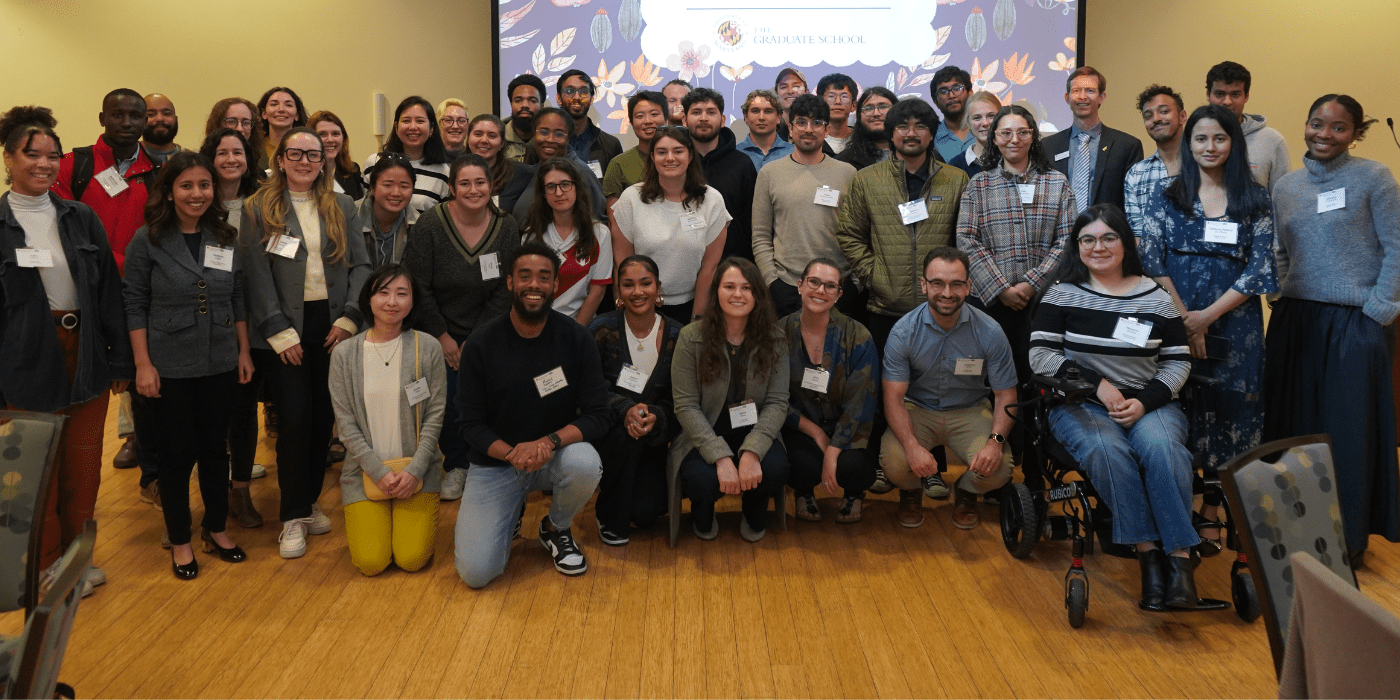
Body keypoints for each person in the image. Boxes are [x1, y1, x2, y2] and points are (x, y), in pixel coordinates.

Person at [1029, 204, 1202, 610]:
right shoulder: (1061, 294)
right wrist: (1098, 386)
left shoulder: (1156, 298)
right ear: (1077, 247)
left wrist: (1144, 402)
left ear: (1127, 243)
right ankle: (1147, 555)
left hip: (1150, 402)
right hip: (1080, 404)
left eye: (1109, 238)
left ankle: (1178, 562)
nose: (1098, 247)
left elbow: (1178, 361)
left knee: (1163, 450)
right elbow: (1040, 356)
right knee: (1108, 451)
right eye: (1087, 239)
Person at [1, 105, 132, 594]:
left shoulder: (80, 217)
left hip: (88, 354)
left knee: (82, 465)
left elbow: (108, 293)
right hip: (25, 359)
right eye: (32, 154)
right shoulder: (0, 224)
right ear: (9, 158)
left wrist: (119, 359)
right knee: (37, 469)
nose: (45, 164)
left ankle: (77, 559)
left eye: (53, 155)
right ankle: (45, 565)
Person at [1265, 94, 1400, 567]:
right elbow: (1280, 249)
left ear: (1356, 133)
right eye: (1316, 123)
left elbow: (1397, 246)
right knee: (1295, 430)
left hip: (1354, 322)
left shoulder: (1374, 178)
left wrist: (1381, 308)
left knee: (1347, 432)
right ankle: (1296, 528)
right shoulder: (1286, 187)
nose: (1324, 134)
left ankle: (1349, 539)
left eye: (1338, 127)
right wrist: (1279, 292)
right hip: (1296, 321)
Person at [1139, 105, 1276, 556]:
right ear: (1189, 143)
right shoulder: (1168, 195)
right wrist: (1186, 320)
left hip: (1236, 328)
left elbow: (1259, 272)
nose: (1209, 147)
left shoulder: (1255, 200)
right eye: (1200, 139)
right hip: (1176, 324)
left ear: (1233, 143)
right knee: (1185, 409)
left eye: (1219, 138)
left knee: (1233, 413)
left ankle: (1215, 510)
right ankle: (1181, 507)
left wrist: (1206, 317)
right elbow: (1153, 261)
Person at [238, 127, 370, 560]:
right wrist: (279, 331)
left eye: (312, 155)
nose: (303, 161)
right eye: (294, 153)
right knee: (294, 420)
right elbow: (255, 274)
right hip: (284, 329)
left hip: (331, 325)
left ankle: (310, 500)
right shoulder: (258, 207)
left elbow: (361, 265)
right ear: (280, 158)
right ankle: (291, 515)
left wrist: (351, 317)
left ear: (324, 160)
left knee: (321, 420)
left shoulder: (342, 205)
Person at [123, 152, 253, 579]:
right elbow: (135, 304)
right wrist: (143, 364)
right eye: (187, 186)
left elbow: (236, 298)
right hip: (170, 364)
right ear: (170, 191)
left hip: (219, 360)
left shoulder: (225, 235)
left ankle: (215, 528)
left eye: (204, 185)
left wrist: (244, 351)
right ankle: (180, 540)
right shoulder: (148, 240)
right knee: (177, 456)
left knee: (217, 450)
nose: (197, 194)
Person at [454, 240, 610, 587]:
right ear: (510, 282)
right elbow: (469, 425)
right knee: (477, 573)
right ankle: (509, 511)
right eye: (525, 276)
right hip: (496, 462)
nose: (534, 285)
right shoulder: (481, 344)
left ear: (556, 285)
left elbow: (599, 414)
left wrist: (548, 441)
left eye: (544, 277)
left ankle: (555, 527)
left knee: (585, 462)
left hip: (553, 455)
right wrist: (512, 453)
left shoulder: (576, 338)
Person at [957, 104, 1075, 485]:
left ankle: (1038, 470)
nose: (1013, 139)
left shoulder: (1057, 183)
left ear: (1032, 137)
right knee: (998, 385)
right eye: (1004, 133)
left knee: (1038, 384)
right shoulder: (979, 185)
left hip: (1044, 306)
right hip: (993, 306)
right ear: (994, 138)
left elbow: (1068, 240)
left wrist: (1031, 284)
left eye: (1022, 132)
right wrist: (1002, 289)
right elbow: (966, 240)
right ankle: (999, 471)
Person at [51, 88, 160, 500]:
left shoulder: (155, 171)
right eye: (118, 115)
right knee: (87, 392)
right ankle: (62, 484)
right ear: (102, 118)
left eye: (136, 115)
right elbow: (65, 226)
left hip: (140, 295)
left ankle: (153, 478)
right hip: (85, 295)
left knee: (145, 386)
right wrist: (120, 264)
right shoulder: (74, 165)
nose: (127, 122)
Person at [401, 153, 519, 503]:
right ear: (451, 188)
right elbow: (417, 285)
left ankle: (489, 461)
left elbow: (505, 287)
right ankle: (456, 464)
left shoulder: (507, 225)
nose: (473, 189)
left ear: (491, 185)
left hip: (489, 331)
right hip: (436, 332)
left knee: (493, 393)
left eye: (480, 182)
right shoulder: (431, 225)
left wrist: (475, 341)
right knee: (448, 397)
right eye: (464, 183)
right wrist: (444, 338)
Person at [880, 247, 1016, 529]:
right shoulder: (903, 332)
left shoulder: (990, 331)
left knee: (1000, 466)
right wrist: (911, 446)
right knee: (894, 461)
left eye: (956, 284)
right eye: (937, 283)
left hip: (970, 410)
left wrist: (995, 443)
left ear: (968, 287)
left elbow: (1006, 395)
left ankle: (966, 492)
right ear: (924, 285)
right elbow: (893, 398)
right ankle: (910, 491)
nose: (946, 292)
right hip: (917, 408)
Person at [329, 264, 446, 576]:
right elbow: (346, 425)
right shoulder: (345, 355)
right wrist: (378, 472)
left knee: (411, 559)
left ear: (412, 302)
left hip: (417, 471)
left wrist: (415, 469)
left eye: (401, 293)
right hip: (365, 473)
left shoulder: (428, 347)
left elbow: (435, 416)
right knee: (371, 563)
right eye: (384, 292)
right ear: (369, 299)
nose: (392, 301)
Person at [837, 98, 970, 351]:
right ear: (890, 133)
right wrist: (875, 276)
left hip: (942, 307)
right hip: (885, 308)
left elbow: (964, 238)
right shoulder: (866, 180)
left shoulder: (956, 179)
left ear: (931, 134)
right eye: (902, 127)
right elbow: (849, 234)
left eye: (920, 126)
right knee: (888, 385)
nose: (911, 134)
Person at [672, 257, 789, 542]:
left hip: (755, 430)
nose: (738, 294)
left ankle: (754, 509)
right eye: (729, 286)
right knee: (701, 479)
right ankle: (704, 512)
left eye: (747, 288)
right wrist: (720, 456)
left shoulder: (775, 338)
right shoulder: (690, 338)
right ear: (716, 292)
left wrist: (752, 452)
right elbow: (685, 406)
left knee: (774, 467)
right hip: (706, 432)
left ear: (757, 295)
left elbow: (777, 402)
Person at [587, 255, 684, 545]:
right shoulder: (601, 329)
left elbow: (682, 397)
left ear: (658, 287)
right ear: (618, 291)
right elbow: (589, 389)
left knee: (646, 514)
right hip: (610, 432)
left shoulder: (679, 335)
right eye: (628, 285)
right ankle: (608, 515)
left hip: (653, 436)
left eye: (645, 283)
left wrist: (655, 416)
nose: (637, 292)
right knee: (624, 438)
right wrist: (625, 409)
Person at [200, 128, 270, 525]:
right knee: (209, 413)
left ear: (249, 159)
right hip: (207, 319)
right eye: (222, 152)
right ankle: (210, 493)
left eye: (238, 152)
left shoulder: (261, 202)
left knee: (243, 409)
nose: (230, 159)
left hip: (253, 319)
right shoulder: (197, 200)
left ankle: (241, 489)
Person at [781, 258, 879, 523]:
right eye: (814, 282)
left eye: (830, 286)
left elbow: (861, 403)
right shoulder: (778, 334)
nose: (820, 291)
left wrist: (834, 449)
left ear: (839, 295)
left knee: (855, 468)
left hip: (848, 426)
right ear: (800, 285)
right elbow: (774, 398)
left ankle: (854, 494)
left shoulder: (858, 335)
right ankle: (803, 492)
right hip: (801, 427)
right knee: (801, 465)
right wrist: (815, 433)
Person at [752, 94, 858, 318]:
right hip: (787, 286)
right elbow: (760, 235)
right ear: (790, 129)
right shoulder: (769, 173)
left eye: (817, 122)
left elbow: (860, 232)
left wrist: (855, 283)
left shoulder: (847, 172)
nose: (809, 129)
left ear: (826, 130)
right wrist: (772, 281)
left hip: (837, 286)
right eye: (801, 122)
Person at [610, 126, 729, 322]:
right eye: (662, 152)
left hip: (691, 306)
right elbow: (622, 264)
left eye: (678, 151)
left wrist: (697, 319)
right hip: (639, 305)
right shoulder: (631, 199)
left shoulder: (712, 200)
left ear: (690, 156)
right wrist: (625, 311)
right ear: (652, 158)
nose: (670, 158)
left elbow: (709, 268)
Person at [519, 157, 610, 323]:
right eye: (551, 187)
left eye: (565, 184)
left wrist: (575, 333)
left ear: (577, 187)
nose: (559, 193)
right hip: (538, 324)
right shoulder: (532, 235)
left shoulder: (600, 233)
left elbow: (597, 292)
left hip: (579, 326)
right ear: (543, 194)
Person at [1042, 67, 1144, 213]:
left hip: (1106, 232)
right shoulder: (1047, 146)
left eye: (1090, 90)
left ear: (1102, 97)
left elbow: (1133, 204)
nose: (1082, 96)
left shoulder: (1127, 146)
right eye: (1076, 90)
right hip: (1060, 233)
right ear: (1067, 97)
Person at [682, 88, 756, 263]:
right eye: (696, 112)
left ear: (722, 120)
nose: (703, 118)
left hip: (731, 265)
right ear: (684, 120)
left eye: (711, 112)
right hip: (683, 262)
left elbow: (751, 223)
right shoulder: (675, 163)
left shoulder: (742, 164)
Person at [508, 106, 608, 223]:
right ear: (534, 134)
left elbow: (597, 222)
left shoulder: (580, 173)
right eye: (544, 132)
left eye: (559, 134)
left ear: (569, 138)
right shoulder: (538, 169)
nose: (550, 139)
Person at [1205, 61, 1289, 192]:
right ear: (1208, 95)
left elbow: (1282, 199)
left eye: (1235, 94)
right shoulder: (1192, 139)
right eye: (1219, 94)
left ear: (1246, 97)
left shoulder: (1272, 141)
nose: (1227, 101)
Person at [363, 96, 452, 219]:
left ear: (431, 129)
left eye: (420, 121)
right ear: (396, 127)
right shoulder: (375, 162)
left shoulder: (443, 171)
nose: (413, 127)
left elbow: (443, 219)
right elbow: (364, 210)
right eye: (406, 121)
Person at [1123, 85, 1186, 236]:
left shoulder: (1205, 164)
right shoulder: (1136, 174)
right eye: (1148, 116)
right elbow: (1137, 236)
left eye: (1164, 111)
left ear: (1182, 116)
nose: (1156, 119)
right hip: (1151, 258)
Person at [602, 91, 666, 210]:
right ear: (631, 122)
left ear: (666, 118)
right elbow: (613, 216)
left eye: (654, 114)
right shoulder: (618, 164)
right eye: (640, 116)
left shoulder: (680, 158)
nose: (647, 121)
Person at [555, 68, 623, 178]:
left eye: (583, 92)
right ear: (559, 98)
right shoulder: (543, 143)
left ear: (591, 99)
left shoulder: (611, 145)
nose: (577, 97)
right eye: (569, 91)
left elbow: (615, 191)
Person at [357, 152, 415, 268]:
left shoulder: (418, 225)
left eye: (404, 186)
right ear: (372, 188)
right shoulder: (350, 216)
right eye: (388, 185)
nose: (396, 193)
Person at [467, 113, 533, 215]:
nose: (484, 140)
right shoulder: (456, 172)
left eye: (492, 136)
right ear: (468, 139)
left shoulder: (523, 174)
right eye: (478, 134)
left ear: (502, 144)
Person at [837, 87, 897, 171]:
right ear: (859, 117)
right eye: (868, 108)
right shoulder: (843, 162)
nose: (876, 113)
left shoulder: (915, 154)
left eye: (883, 106)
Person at [946, 91, 1002, 179]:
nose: (985, 123)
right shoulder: (955, 166)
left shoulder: (1013, 159)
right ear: (968, 123)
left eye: (991, 116)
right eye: (977, 118)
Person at [309, 111, 364, 200]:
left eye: (335, 134)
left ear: (343, 138)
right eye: (322, 134)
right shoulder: (304, 173)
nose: (330, 140)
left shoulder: (352, 171)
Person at [736, 89, 793, 172]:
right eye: (755, 111)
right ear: (745, 117)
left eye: (768, 111)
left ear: (779, 118)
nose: (761, 117)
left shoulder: (794, 153)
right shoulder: (733, 154)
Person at [930, 66, 974, 163]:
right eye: (943, 91)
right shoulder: (930, 138)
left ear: (970, 93)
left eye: (957, 88)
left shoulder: (985, 129)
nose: (951, 96)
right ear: (935, 101)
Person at [204, 97, 263, 169]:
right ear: (217, 125)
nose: (240, 128)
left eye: (246, 122)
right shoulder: (202, 168)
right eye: (231, 122)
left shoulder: (260, 168)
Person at [257, 87, 308, 167]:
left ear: (297, 115)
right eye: (274, 104)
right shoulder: (254, 146)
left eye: (288, 105)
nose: (281, 109)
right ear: (264, 114)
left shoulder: (308, 146)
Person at [503, 74, 546, 162]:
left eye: (532, 101)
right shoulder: (497, 137)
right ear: (511, 105)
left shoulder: (550, 139)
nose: (525, 105)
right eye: (518, 100)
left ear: (541, 107)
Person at [817, 73, 857, 154]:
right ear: (820, 103)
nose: (838, 102)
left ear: (853, 106)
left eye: (844, 96)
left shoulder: (863, 141)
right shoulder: (811, 138)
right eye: (831, 96)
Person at [141, 93, 182, 165]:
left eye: (166, 113)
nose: (160, 119)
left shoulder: (193, 161)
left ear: (176, 119)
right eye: (151, 114)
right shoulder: (127, 158)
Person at [773, 67, 808, 142]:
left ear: (806, 91)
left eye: (796, 86)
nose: (790, 91)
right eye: (783, 87)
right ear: (777, 93)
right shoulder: (770, 131)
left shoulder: (817, 127)